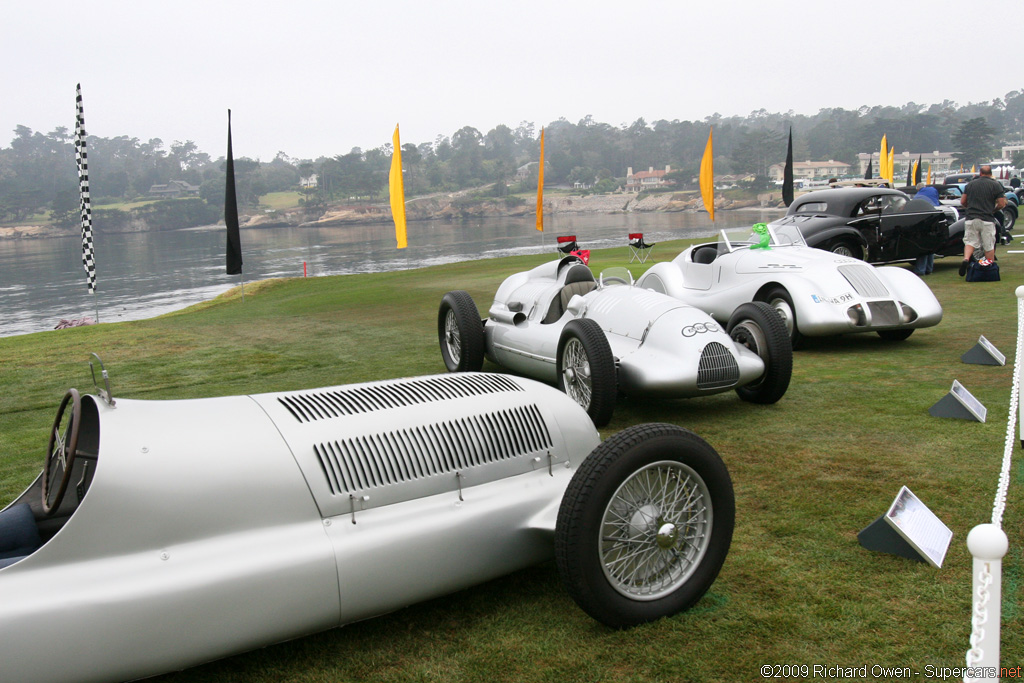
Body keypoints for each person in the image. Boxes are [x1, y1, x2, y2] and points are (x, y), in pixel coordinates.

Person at [959, 165, 1007, 276]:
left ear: (980, 173)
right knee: (988, 244)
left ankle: (966, 259)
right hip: (987, 218)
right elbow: (1001, 203)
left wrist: (969, 207)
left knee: (970, 242)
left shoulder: (970, 184)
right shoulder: (995, 185)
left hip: (971, 217)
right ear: (990, 174)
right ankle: (988, 267)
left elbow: (963, 201)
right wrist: (993, 210)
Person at [911, 185, 941, 275]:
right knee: (930, 245)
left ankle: (920, 269)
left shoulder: (917, 197)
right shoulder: (933, 189)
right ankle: (929, 268)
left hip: (923, 219)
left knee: (923, 245)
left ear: (918, 189)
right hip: (934, 215)